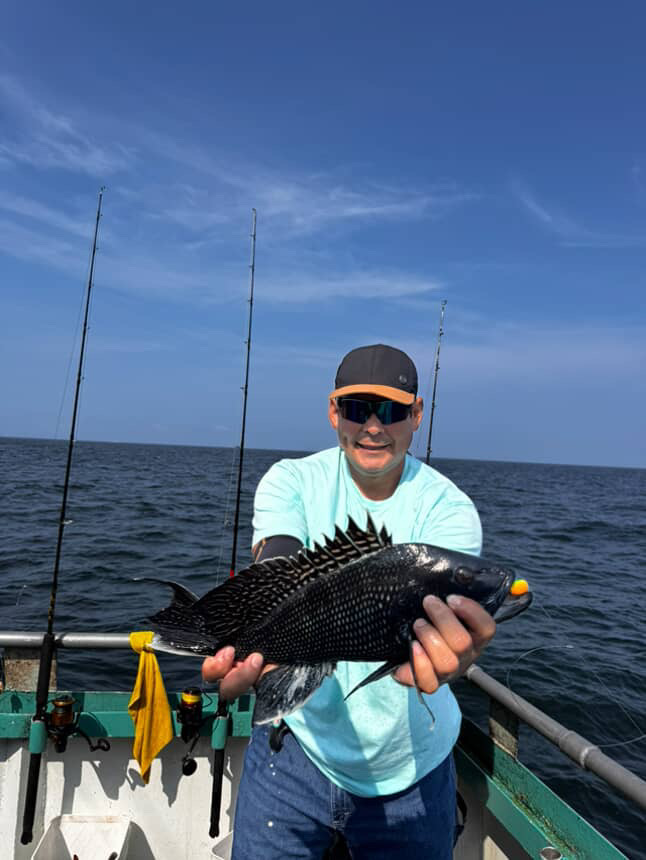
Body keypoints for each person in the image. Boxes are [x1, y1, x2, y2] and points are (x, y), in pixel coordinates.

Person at [203, 343, 496, 859]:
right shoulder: (291, 480)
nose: (375, 427)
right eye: (359, 409)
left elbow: (441, 624)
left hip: (413, 769)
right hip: (294, 752)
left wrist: (451, 659)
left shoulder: (449, 509)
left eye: (393, 411)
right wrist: (251, 634)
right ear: (334, 412)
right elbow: (278, 560)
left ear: (418, 415)